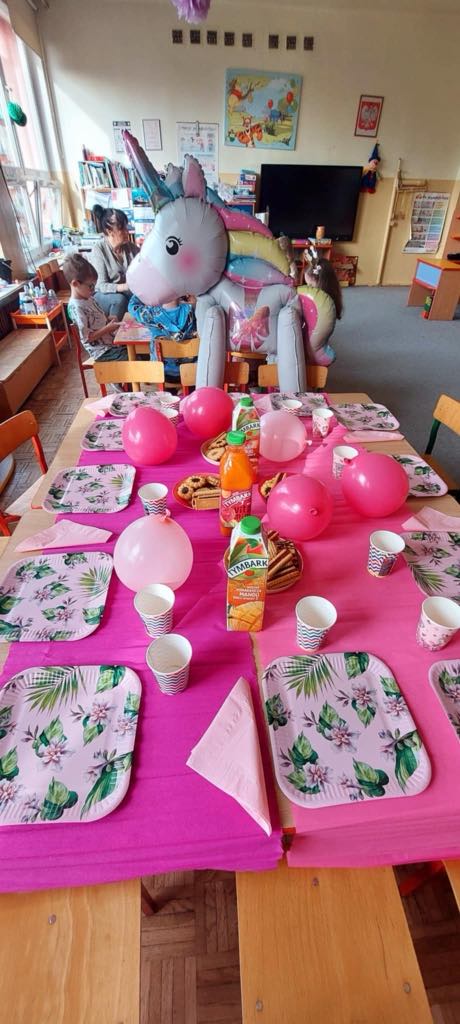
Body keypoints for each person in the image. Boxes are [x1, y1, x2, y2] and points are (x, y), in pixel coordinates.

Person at [64, 253, 128, 369]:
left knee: (138, 350)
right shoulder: (76, 307)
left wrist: (108, 318)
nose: (93, 290)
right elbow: (87, 337)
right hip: (102, 353)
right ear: (75, 284)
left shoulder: (89, 298)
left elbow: (96, 318)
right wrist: (107, 328)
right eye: (91, 286)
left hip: (111, 344)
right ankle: (119, 377)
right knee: (134, 359)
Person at [128, 293, 196, 383]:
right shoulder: (192, 310)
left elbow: (132, 306)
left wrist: (141, 291)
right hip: (190, 371)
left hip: (161, 373)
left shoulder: (149, 314)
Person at [89, 206, 139, 319]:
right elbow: (101, 285)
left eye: (126, 227)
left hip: (126, 292)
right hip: (104, 295)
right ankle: (113, 329)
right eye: (122, 228)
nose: (127, 231)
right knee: (119, 300)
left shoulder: (130, 248)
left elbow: (145, 262)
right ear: (109, 231)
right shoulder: (99, 249)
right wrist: (125, 286)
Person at [304, 255, 343, 320]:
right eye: (306, 284)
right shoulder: (331, 290)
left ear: (321, 282)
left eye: (310, 285)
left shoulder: (325, 301)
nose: (308, 288)